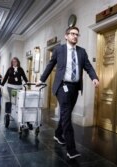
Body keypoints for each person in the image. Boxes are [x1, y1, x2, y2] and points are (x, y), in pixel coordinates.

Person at [37, 26, 99, 159]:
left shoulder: (82, 52)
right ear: (66, 36)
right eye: (72, 34)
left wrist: (94, 77)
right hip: (62, 86)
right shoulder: (59, 49)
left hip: (75, 87)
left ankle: (58, 134)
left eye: (77, 34)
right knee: (66, 114)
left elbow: (88, 66)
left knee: (66, 113)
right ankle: (71, 149)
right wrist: (41, 79)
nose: (75, 36)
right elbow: (50, 65)